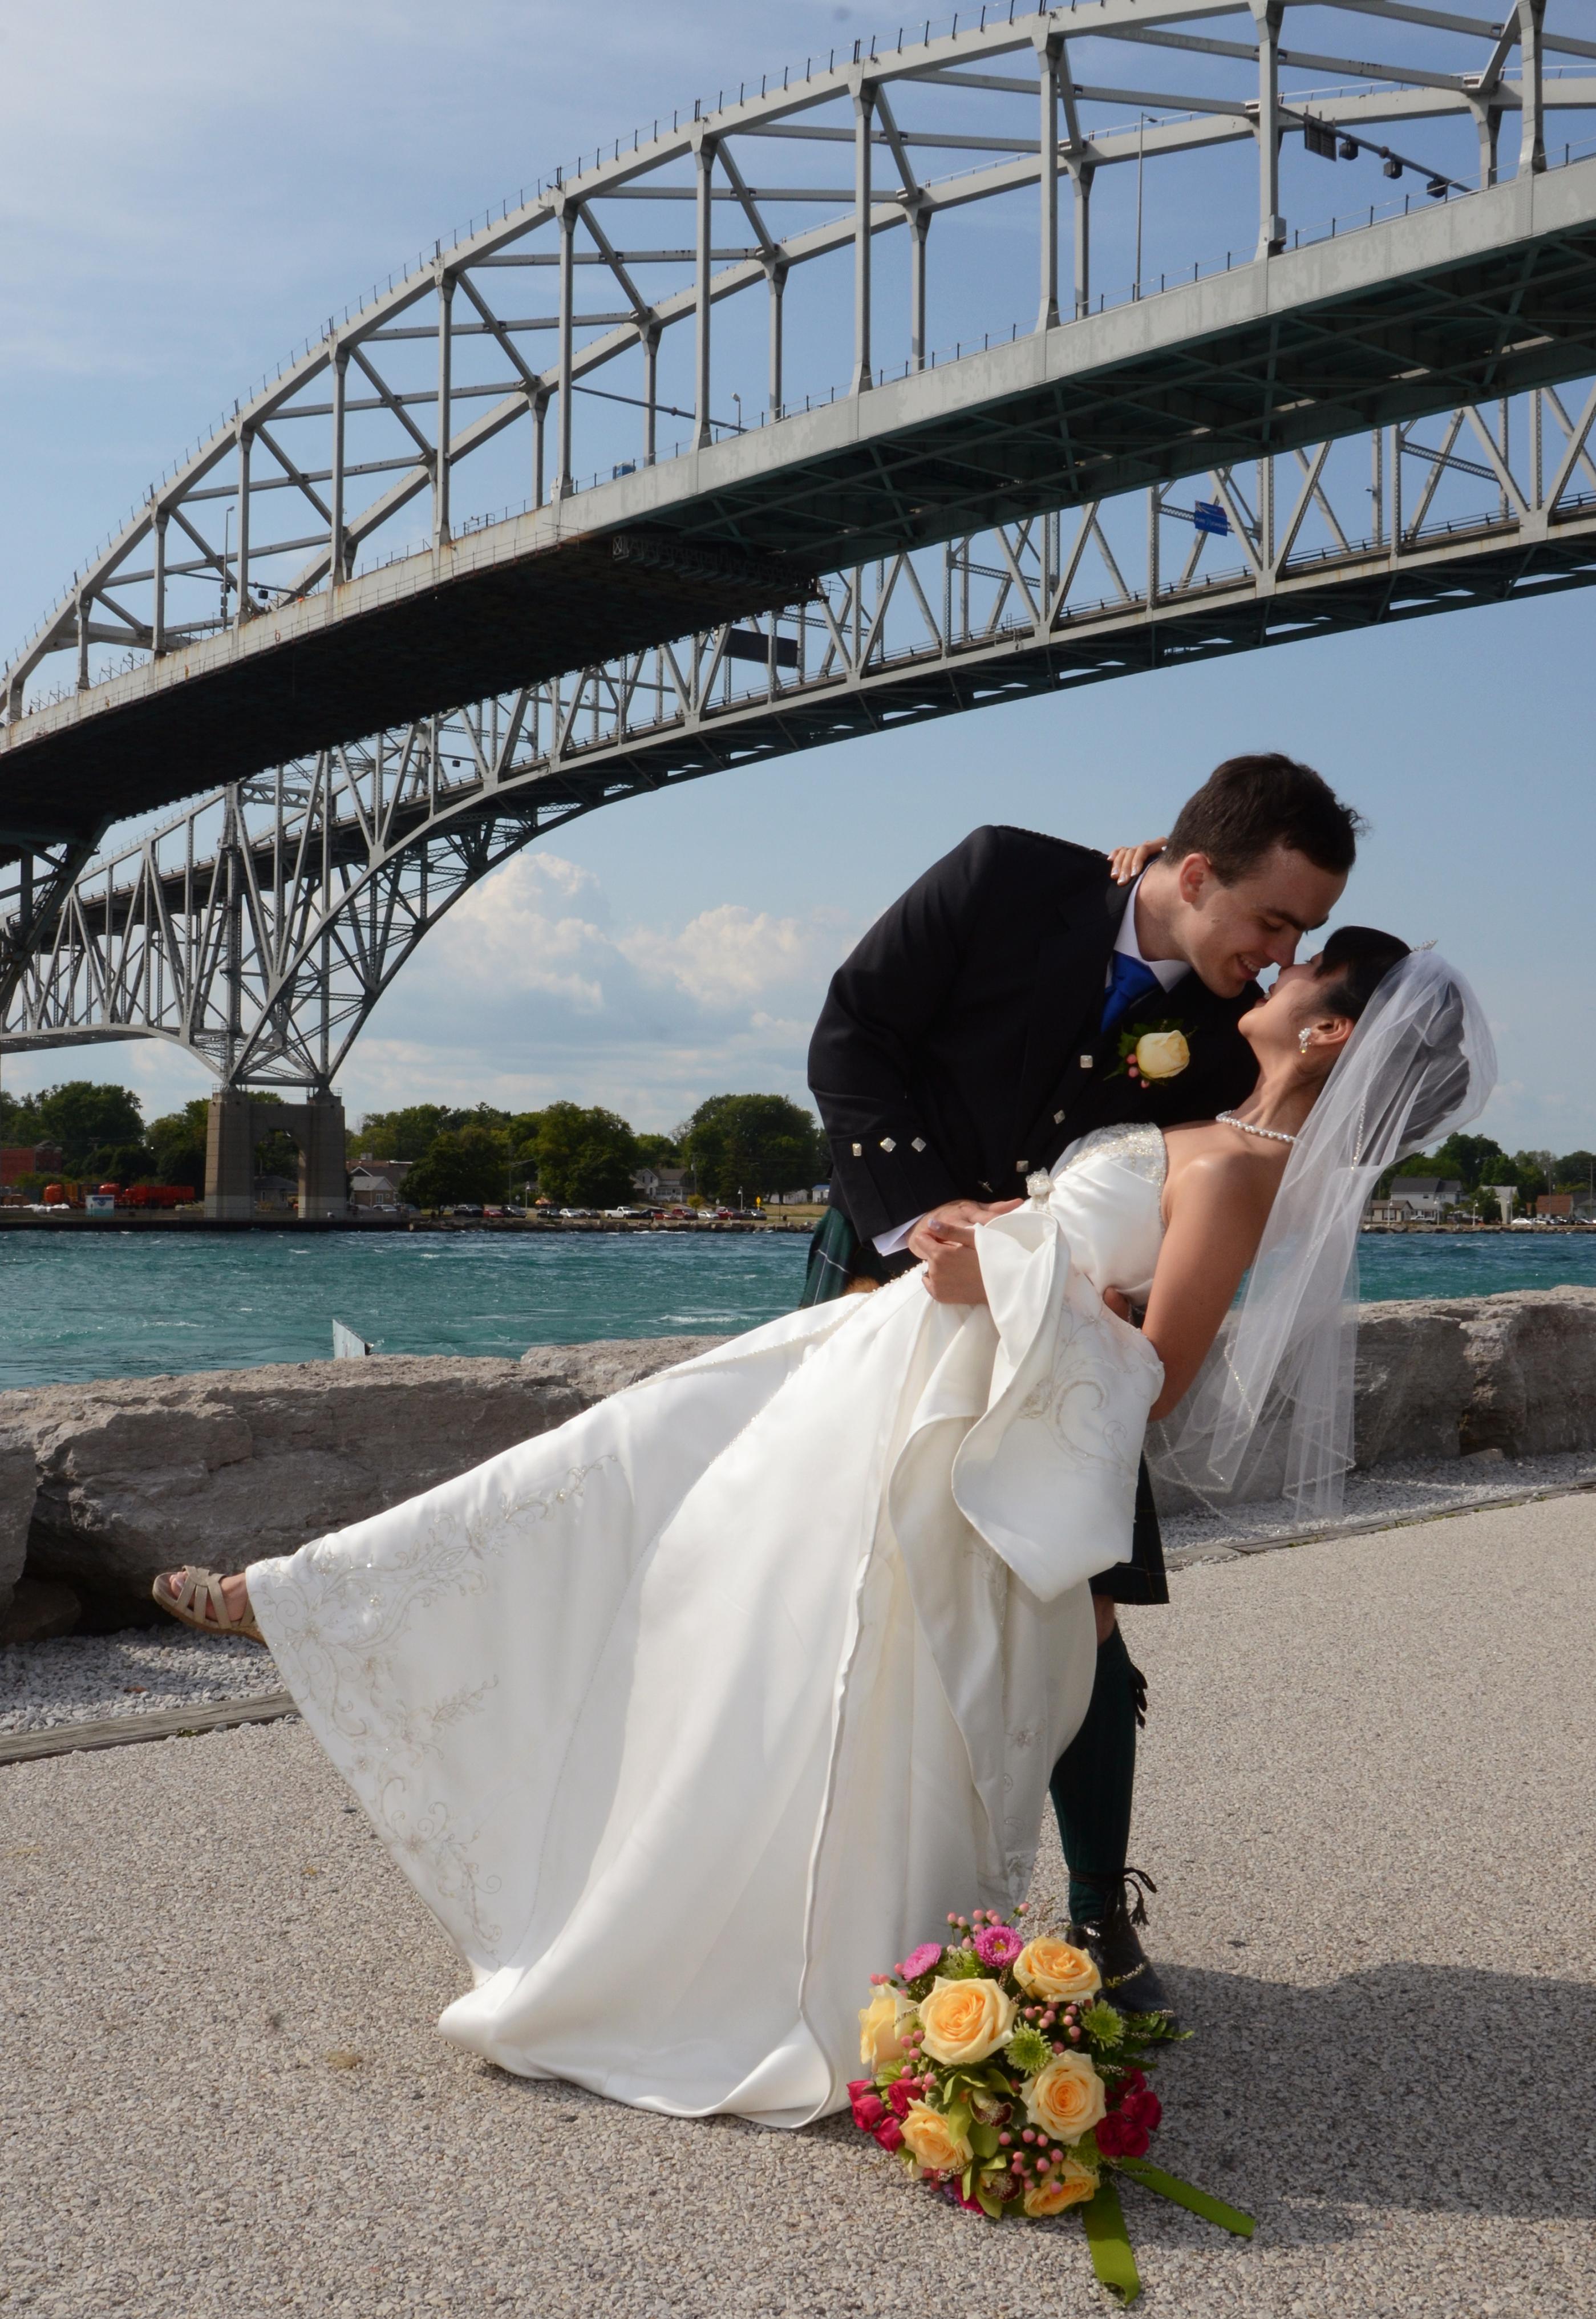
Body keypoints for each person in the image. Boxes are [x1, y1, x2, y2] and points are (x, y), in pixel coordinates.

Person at [152, 932, 1492, 2130]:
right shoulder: (1211, 1117)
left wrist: (1007, 1277)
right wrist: (996, 1238)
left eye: (1306, 963)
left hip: (947, 1405)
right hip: (893, 1347)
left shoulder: (1245, 1171)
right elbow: (1079, 1247)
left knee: (765, 1597)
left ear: (1327, 1030)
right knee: (640, 1469)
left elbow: (1157, 1371)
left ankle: (766, 1932)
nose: (1278, 965)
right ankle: (324, 1595)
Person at [804, 754, 1358, 2009]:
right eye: (1272, 918)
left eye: (1304, 934)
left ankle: (1100, 1910)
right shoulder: (1005, 875)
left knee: (1082, 1598)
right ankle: (828, 1880)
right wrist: (914, 1213)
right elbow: (855, 1029)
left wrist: (1101, 1308)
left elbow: (1187, 1206)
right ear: (1194, 872)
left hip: (1064, 1335)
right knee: (840, 1566)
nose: (1281, 954)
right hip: (888, 1258)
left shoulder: (1241, 1038)